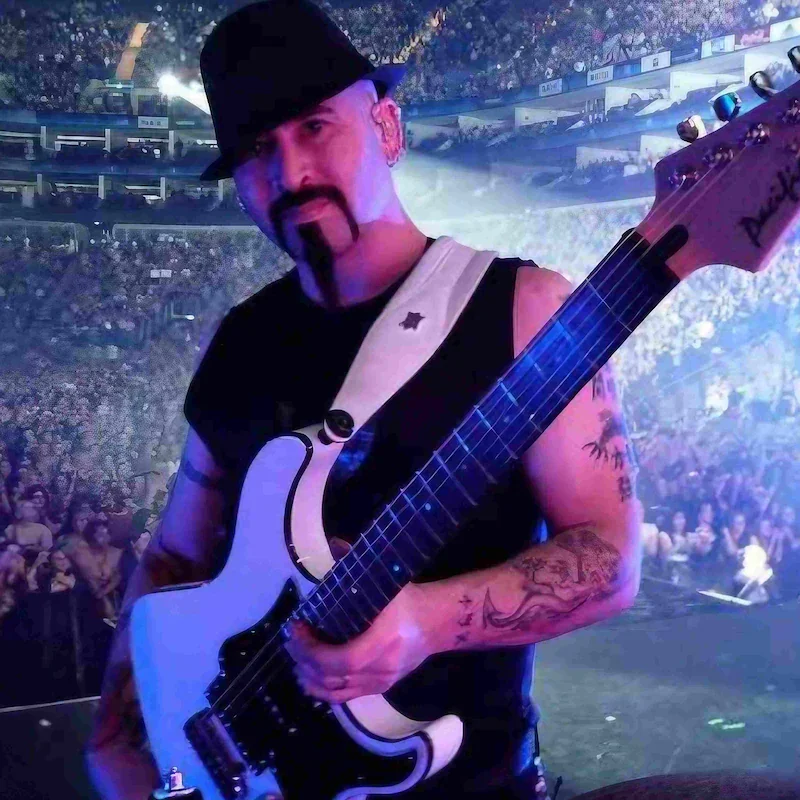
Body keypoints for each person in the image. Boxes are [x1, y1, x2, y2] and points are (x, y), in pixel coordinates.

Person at [86, 2, 641, 799]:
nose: (290, 172)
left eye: (315, 127)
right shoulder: (239, 344)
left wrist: (427, 620)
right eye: (256, 149)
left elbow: (612, 560)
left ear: (386, 127)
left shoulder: (525, 312)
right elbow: (177, 555)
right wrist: (115, 734)